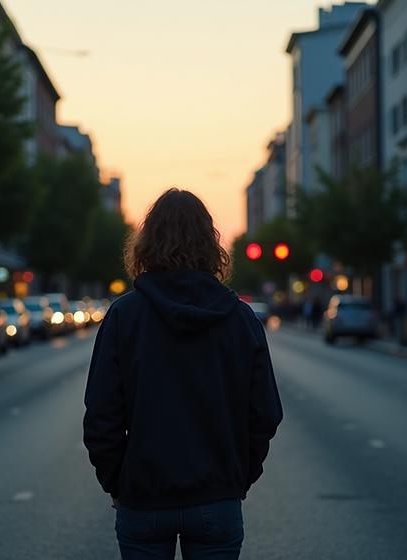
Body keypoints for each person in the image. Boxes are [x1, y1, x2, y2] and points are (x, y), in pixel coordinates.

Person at [83, 188, 284, 560]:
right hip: (216, 496)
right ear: (211, 243)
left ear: (147, 242)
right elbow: (265, 414)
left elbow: (101, 415)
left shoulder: (124, 316)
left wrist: (117, 483)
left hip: (143, 499)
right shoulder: (240, 319)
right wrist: (238, 477)